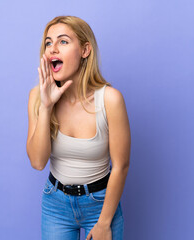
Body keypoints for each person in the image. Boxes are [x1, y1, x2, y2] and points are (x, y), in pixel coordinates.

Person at [26, 15, 131, 240]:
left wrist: (104, 223)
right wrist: (46, 107)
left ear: (85, 50)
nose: (53, 49)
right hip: (56, 204)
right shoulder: (37, 97)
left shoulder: (110, 100)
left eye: (63, 41)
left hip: (101, 204)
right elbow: (37, 162)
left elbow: (121, 166)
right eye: (48, 43)